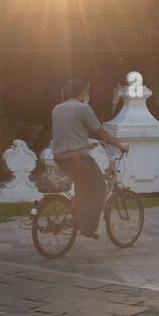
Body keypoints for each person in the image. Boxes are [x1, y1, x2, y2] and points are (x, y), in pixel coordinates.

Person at [50, 78, 130, 240]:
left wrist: (86, 145)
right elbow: (100, 132)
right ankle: (87, 227)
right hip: (77, 158)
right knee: (99, 187)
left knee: (83, 186)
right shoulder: (83, 108)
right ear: (82, 92)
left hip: (60, 157)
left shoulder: (56, 109)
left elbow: (69, 132)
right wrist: (120, 145)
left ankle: (78, 218)